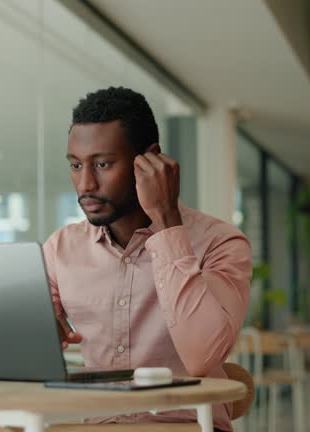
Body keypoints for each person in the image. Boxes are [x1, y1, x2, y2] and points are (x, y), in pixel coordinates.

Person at [42, 87, 252, 432]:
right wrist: (42, 331)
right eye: (76, 165)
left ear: (150, 160)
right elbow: (35, 335)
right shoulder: (60, 249)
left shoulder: (221, 242)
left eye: (103, 164)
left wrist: (168, 221)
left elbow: (202, 357)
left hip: (187, 427)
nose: (85, 184)